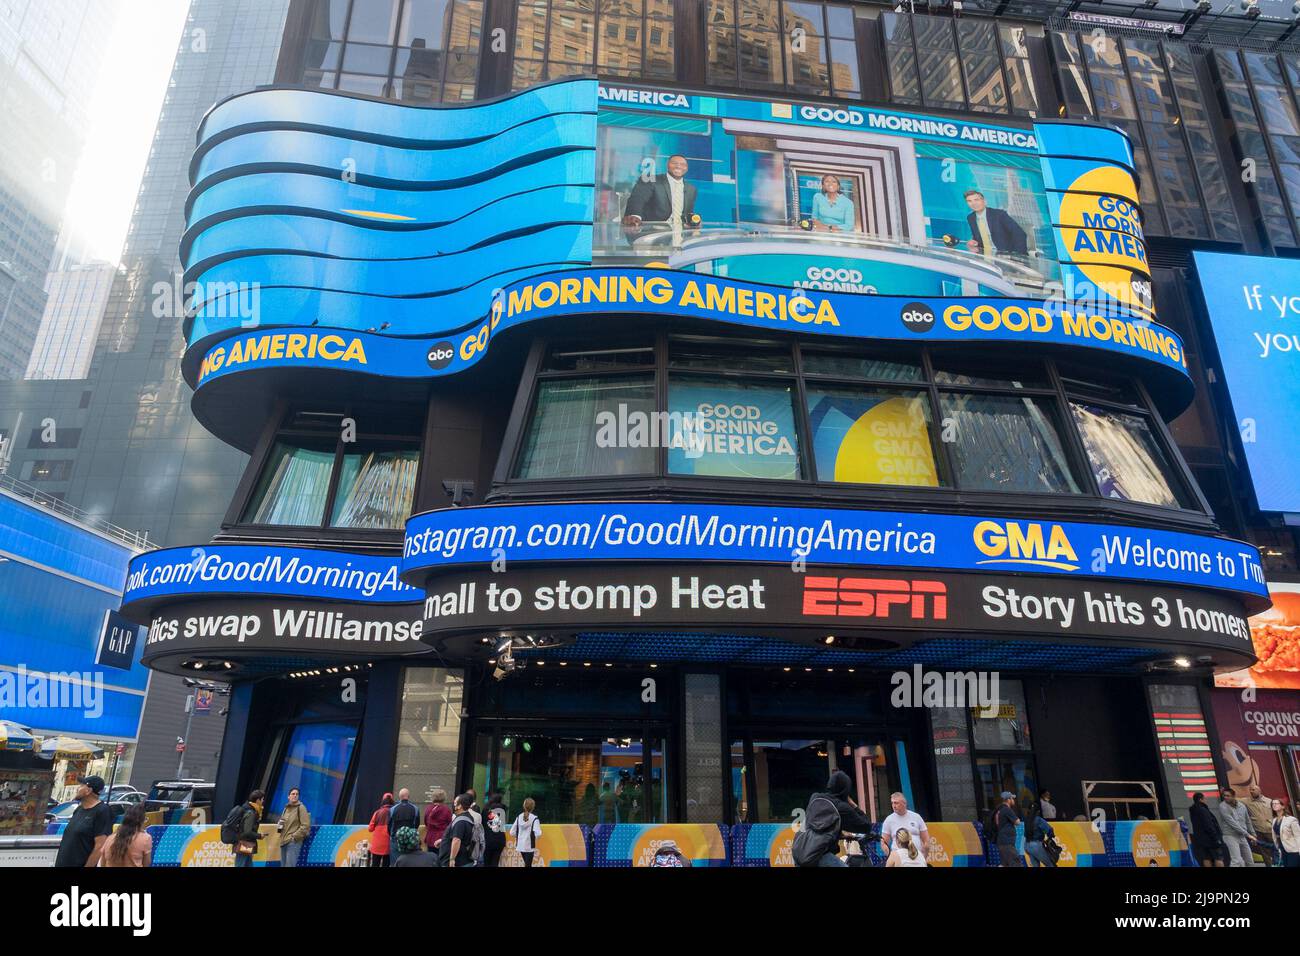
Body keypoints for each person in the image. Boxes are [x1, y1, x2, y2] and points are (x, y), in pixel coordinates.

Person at [805, 770, 874, 868]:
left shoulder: (815, 797)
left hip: (801, 852)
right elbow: (866, 826)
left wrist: (839, 833)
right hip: (820, 856)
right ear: (845, 789)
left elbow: (820, 825)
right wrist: (852, 804)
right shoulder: (841, 807)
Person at [621, 154, 697, 234]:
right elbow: (637, 200)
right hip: (650, 232)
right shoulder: (651, 180)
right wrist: (635, 217)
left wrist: (692, 220)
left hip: (677, 233)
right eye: (674, 163)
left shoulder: (691, 189)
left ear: (687, 168)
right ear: (667, 165)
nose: (678, 166)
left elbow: (687, 213)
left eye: (683, 164)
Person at [54, 775, 114, 868]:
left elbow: (100, 846)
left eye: (81, 786)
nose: (77, 788)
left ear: (88, 791)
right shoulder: (79, 809)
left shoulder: (102, 811)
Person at [964, 189, 1028, 258]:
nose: (973, 203)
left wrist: (1018, 256)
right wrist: (973, 242)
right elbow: (979, 238)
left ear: (984, 201)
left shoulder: (999, 215)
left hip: (1006, 256)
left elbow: (1020, 234)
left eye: (976, 200)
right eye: (969, 201)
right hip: (986, 256)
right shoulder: (971, 218)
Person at [99, 803, 152, 868]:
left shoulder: (110, 838)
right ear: (141, 821)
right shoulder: (145, 838)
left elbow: (102, 863)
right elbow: (146, 864)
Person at [880, 791, 929, 860]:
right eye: (892, 803)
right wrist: (891, 857)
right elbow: (883, 842)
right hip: (899, 859)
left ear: (904, 803)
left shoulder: (916, 817)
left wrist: (924, 858)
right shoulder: (888, 820)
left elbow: (926, 841)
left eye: (896, 803)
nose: (894, 805)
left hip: (917, 857)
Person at [1217, 789, 1260, 866]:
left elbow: (1247, 821)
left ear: (1233, 796)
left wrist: (1253, 834)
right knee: (1236, 860)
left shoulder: (1241, 806)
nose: (1225, 797)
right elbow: (1232, 823)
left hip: (1242, 836)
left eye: (1228, 796)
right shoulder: (1223, 806)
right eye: (1224, 795)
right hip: (1230, 836)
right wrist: (1248, 835)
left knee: (1249, 859)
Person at [1188, 792, 1228, 867]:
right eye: (1204, 799)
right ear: (1201, 799)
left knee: (1206, 858)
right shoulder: (1203, 810)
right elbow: (1209, 825)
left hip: (1200, 839)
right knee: (1218, 858)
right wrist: (1215, 837)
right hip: (1210, 839)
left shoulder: (1193, 811)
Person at [438, 793, 478, 868]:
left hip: (457, 862)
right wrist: (442, 840)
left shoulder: (461, 821)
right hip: (463, 860)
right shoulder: (467, 817)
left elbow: (457, 839)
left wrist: (452, 859)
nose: (453, 804)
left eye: (455, 802)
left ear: (460, 806)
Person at [277, 787, 310, 868]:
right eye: (293, 794)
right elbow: (283, 821)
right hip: (284, 841)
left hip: (293, 842)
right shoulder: (286, 808)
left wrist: (294, 837)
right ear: (288, 796)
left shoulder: (301, 807)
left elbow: (305, 826)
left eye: (297, 794)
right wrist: (279, 823)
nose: (295, 795)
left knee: (290, 865)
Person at [1245, 785, 1276, 864]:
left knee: (1277, 850)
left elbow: (1276, 814)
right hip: (1259, 831)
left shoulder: (1269, 801)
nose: (1251, 791)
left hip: (1271, 830)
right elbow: (1234, 799)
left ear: (1259, 790)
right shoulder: (1247, 801)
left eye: (1253, 789)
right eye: (1250, 790)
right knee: (1265, 853)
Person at [234, 789, 265, 868]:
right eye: (262, 799)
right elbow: (247, 831)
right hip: (245, 843)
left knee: (248, 864)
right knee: (240, 864)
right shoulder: (251, 812)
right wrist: (259, 836)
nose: (263, 801)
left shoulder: (248, 809)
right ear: (258, 800)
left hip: (246, 843)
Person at [387, 788, 419, 864]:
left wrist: (392, 836)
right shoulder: (415, 809)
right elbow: (417, 824)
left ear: (399, 797)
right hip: (411, 840)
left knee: (395, 863)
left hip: (395, 839)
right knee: (409, 863)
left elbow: (389, 825)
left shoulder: (392, 809)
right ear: (408, 796)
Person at [510, 797, 543, 868]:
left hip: (520, 845)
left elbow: (512, 832)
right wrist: (533, 837)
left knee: (527, 864)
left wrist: (519, 836)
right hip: (529, 846)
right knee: (528, 865)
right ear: (533, 807)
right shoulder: (535, 819)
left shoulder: (519, 817)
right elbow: (538, 833)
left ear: (524, 806)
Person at [994, 791, 1023, 867]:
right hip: (1007, 843)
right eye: (1012, 798)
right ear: (1008, 800)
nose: (1013, 800)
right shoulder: (1007, 810)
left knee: (1005, 864)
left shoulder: (999, 810)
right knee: (1016, 863)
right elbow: (1017, 822)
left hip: (1002, 842)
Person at [1271, 798, 1300, 867]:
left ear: (1283, 806)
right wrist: (1278, 848)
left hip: (1293, 849)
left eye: (1276, 803)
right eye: (1272, 804)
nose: (1274, 805)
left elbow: (1298, 836)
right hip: (1282, 849)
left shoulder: (1291, 819)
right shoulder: (1274, 820)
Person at [367, 793, 394, 867]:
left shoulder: (377, 813)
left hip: (377, 845)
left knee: (375, 864)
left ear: (383, 801)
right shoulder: (394, 813)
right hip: (388, 845)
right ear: (392, 801)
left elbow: (370, 829)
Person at [423, 788, 452, 855]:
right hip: (442, 839)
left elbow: (426, 822)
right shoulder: (446, 810)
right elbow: (450, 825)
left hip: (430, 838)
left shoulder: (428, 809)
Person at [483, 792, 507, 867]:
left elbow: (482, 824)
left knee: (487, 862)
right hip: (500, 840)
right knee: (495, 862)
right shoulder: (502, 810)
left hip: (488, 840)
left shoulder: (485, 810)